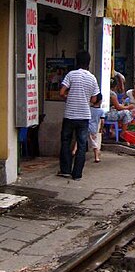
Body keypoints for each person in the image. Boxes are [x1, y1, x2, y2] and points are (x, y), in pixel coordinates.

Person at [58, 50, 100, 181]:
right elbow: (94, 100)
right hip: (84, 116)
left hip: (70, 114)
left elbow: (61, 92)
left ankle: (65, 170)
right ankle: (77, 174)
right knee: (82, 145)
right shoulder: (92, 78)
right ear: (88, 63)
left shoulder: (71, 74)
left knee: (66, 141)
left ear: (77, 61)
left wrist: (68, 97)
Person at [88, 93, 105, 163]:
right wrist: (101, 128)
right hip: (93, 129)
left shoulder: (89, 109)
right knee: (94, 143)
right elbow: (102, 121)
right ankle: (96, 157)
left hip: (86, 127)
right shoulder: (101, 111)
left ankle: (74, 150)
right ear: (100, 101)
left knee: (79, 140)